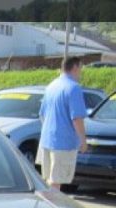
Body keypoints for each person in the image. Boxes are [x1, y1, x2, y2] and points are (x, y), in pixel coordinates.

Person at [37, 56, 88, 190]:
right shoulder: (74, 88)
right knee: (56, 181)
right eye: (80, 69)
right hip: (63, 142)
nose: (80, 73)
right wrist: (83, 140)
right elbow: (77, 118)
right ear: (75, 67)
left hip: (47, 140)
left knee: (48, 179)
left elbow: (42, 114)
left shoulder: (51, 86)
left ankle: (47, 206)